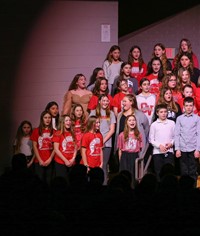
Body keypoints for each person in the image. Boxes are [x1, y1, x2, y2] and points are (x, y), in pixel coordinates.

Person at [90, 94, 116, 185]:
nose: (105, 102)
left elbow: (112, 130)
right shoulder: (93, 112)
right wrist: (98, 141)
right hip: (95, 142)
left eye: (107, 101)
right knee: (94, 164)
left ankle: (104, 184)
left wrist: (103, 141)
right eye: (103, 101)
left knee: (104, 164)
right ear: (100, 102)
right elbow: (91, 127)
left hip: (107, 143)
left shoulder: (111, 113)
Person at [114, 94, 149, 159]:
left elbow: (146, 129)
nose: (123, 103)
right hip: (123, 149)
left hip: (135, 149)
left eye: (125, 101)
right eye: (123, 101)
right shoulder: (119, 115)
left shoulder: (140, 115)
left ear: (131, 102)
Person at [174, 97, 200, 184]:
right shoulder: (179, 119)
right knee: (184, 171)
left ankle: (193, 189)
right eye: (187, 106)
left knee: (193, 171)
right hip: (182, 148)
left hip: (193, 148)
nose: (188, 107)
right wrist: (177, 148)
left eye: (190, 105)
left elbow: (198, 134)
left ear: (193, 107)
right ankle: (184, 189)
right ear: (184, 106)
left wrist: (197, 149)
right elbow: (177, 134)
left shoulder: (197, 118)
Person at [148, 103, 175, 181]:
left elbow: (175, 136)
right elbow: (151, 139)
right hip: (157, 153)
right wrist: (159, 146)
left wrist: (171, 143)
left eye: (165, 112)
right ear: (157, 113)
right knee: (158, 172)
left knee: (169, 173)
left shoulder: (172, 123)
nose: (163, 114)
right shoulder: (154, 125)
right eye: (161, 112)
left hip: (169, 152)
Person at [30, 110, 55, 185]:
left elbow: (55, 148)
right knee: (39, 182)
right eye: (45, 117)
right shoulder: (36, 131)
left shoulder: (54, 131)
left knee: (49, 182)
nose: (47, 119)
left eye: (49, 118)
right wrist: (40, 160)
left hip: (50, 160)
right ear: (42, 119)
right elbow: (34, 146)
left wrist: (50, 159)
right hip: (39, 161)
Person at [117, 114, 143, 187]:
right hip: (125, 156)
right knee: (124, 174)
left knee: (133, 174)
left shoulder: (138, 134)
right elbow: (120, 149)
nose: (132, 122)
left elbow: (140, 149)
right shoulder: (122, 135)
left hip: (134, 156)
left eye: (133, 120)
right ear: (126, 123)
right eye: (130, 120)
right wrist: (120, 160)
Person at [52, 115, 77, 181]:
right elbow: (56, 149)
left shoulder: (72, 133)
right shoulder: (58, 133)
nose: (68, 122)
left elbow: (75, 147)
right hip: (61, 163)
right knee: (62, 182)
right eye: (66, 120)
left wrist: (73, 159)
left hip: (71, 162)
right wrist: (65, 161)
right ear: (62, 122)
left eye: (69, 120)